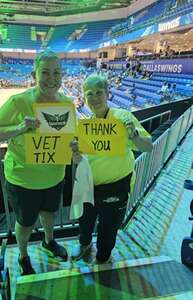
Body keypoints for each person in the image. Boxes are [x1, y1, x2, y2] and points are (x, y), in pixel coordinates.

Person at [0, 50, 72, 275]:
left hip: (55, 176)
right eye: (45, 72)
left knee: (49, 214)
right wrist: (20, 128)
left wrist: (74, 145)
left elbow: (69, 138)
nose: (51, 78)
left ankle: (48, 241)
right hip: (23, 180)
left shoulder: (67, 103)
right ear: (34, 74)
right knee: (25, 223)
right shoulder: (19, 101)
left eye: (56, 72)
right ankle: (24, 256)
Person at [71, 74, 153, 264]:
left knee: (108, 228)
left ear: (108, 94)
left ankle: (103, 256)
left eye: (99, 92)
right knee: (85, 221)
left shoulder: (122, 118)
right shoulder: (86, 124)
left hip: (115, 188)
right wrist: (76, 156)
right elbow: (81, 158)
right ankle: (84, 246)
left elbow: (148, 147)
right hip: (88, 185)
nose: (94, 98)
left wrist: (134, 136)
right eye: (89, 93)